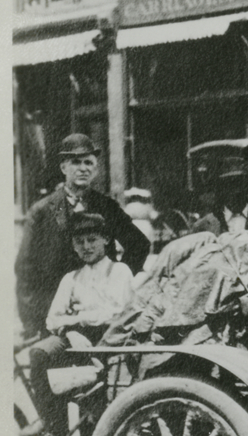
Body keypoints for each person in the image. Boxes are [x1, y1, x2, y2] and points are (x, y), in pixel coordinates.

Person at [27, 212, 138, 436]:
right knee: (40, 355)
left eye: (92, 240)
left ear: (106, 240)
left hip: (109, 339)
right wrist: (70, 331)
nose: (86, 247)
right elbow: (52, 319)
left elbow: (118, 311)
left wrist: (78, 319)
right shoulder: (72, 278)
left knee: (94, 385)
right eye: (80, 242)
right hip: (73, 338)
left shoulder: (119, 272)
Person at [16, 132, 151, 341]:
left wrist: (114, 278)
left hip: (102, 320)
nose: (83, 168)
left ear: (96, 170)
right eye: (75, 162)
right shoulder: (41, 211)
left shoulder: (107, 207)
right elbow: (25, 270)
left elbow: (139, 244)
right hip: (56, 318)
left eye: (88, 163)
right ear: (63, 168)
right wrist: (33, 322)